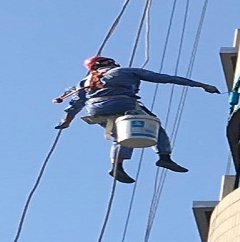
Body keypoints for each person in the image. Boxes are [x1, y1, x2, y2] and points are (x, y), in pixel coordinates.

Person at [55, 56, 220, 184]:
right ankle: (164, 157)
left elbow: (75, 104)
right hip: (122, 103)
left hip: (96, 109)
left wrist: (67, 121)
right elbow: (164, 78)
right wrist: (200, 84)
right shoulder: (125, 72)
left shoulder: (85, 82)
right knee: (154, 125)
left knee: (121, 135)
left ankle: (117, 166)